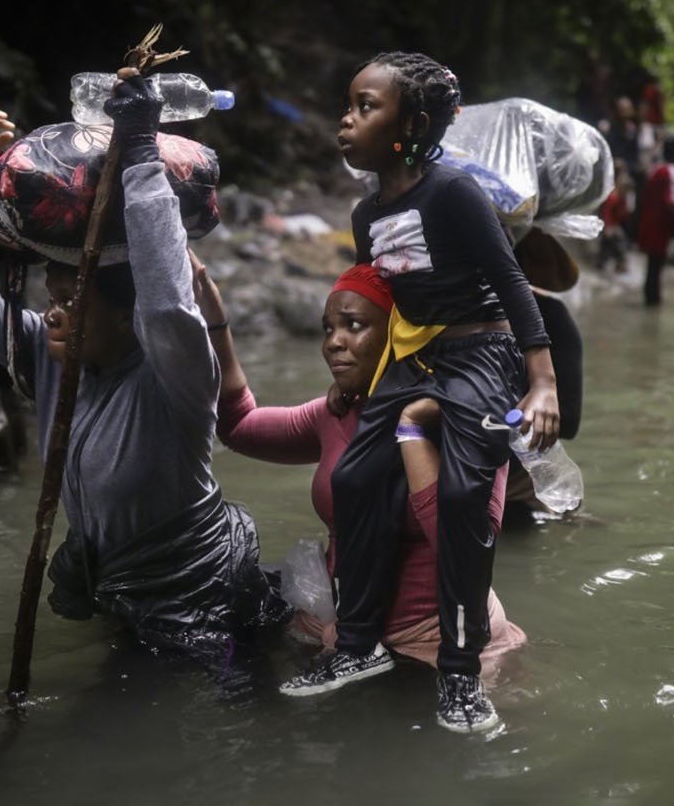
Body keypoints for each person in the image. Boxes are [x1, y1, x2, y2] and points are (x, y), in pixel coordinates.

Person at [0, 81, 286, 661]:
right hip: (118, 586)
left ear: (129, 319)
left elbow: (169, 302)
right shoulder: (50, 358)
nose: (53, 309)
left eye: (74, 297)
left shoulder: (174, 376)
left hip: (201, 597)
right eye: (53, 291)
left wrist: (142, 154)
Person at [282, 51, 558, 736]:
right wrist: (354, 378)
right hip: (417, 359)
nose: (347, 120)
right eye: (348, 105)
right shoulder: (365, 211)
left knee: (465, 496)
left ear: (413, 123)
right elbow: (385, 307)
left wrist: (543, 378)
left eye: (366, 106)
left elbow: (511, 279)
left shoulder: (453, 191)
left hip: (483, 353)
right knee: (355, 477)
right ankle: (357, 647)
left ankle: (461, 676)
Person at [189, 257, 526, 675]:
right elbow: (238, 426)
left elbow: (463, 546)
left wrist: (413, 429)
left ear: (400, 335)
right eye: (328, 329)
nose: (333, 342)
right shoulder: (336, 414)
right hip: (345, 636)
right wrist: (215, 326)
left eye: (354, 325)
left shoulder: (463, 416)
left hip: (437, 645)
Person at [636, 135, 674, 306]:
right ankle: (653, 303)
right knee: (655, 268)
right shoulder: (670, 170)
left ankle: (651, 303)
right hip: (659, 227)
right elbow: (671, 201)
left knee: (652, 267)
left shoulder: (655, 168)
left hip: (647, 223)